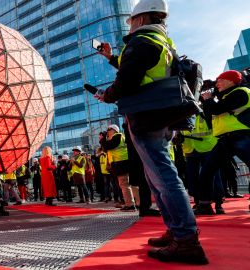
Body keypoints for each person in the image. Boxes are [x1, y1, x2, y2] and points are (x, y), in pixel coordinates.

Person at [92, 0, 208, 264]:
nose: (130, 25)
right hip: (162, 114)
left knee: (163, 176)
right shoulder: (162, 42)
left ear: (141, 19)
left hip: (147, 116)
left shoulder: (142, 42)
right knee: (157, 176)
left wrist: (107, 96)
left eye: (131, 21)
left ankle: (186, 239)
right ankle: (176, 230)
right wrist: (111, 57)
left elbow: (127, 81)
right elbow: (138, 70)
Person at [197, 70, 250, 213]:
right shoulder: (225, 96)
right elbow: (211, 113)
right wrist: (208, 98)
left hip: (243, 136)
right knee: (207, 170)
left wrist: (208, 99)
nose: (217, 83)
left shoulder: (241, 92)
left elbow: (217, 109)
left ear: (231, 81)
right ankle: (204, 204)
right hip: (226, 139)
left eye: (220, 80)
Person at [101, 125, 136, 211]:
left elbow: (107, 146)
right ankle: (137, 203)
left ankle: (130, 205)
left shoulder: (117, 136)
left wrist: (102, 139)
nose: (108, 131)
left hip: (121, 163)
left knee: (124, 184)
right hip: (123, 162)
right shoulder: (120, 137)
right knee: (130, 184)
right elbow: (106, 149)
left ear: (115, 130)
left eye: (109, 129)